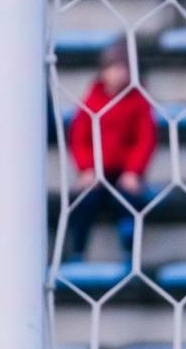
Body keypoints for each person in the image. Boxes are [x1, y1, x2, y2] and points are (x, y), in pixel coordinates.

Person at [64, 39, 155, 261]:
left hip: (125, 172)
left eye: (122, 69)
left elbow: (145, 140)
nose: (116, 75)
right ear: (102, 71)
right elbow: (78, 138)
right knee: (84, 202)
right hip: (96, 172)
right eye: (112, 69)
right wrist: (86, 169)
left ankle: (129, 248)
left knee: (129, 200)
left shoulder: (138, 101)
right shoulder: (92, 100)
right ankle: (78, 250)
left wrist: (133, 171)